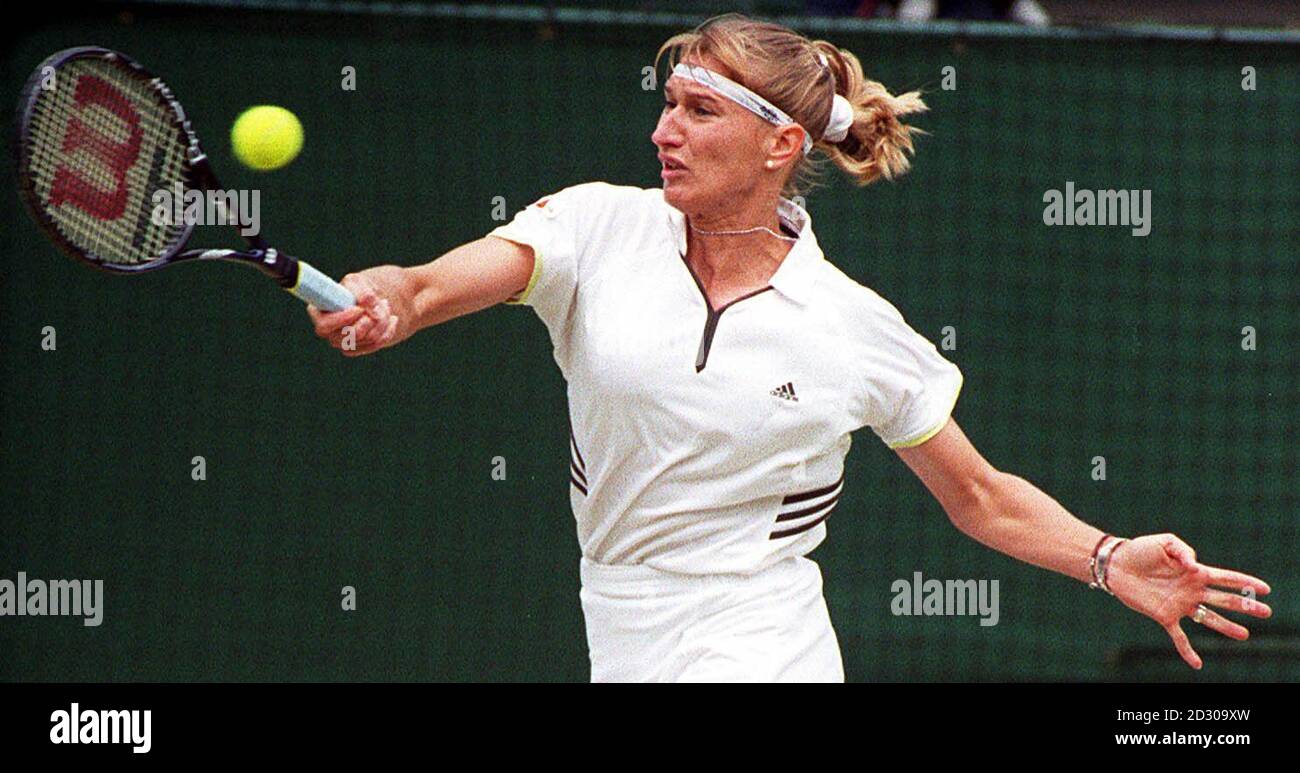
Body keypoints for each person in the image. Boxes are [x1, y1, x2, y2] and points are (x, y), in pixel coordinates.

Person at [307, 13, 1272, 682]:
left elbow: (977, 496)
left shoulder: (850, 325)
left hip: (761, 635)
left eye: (698, 111)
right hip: (620, 617)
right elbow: (429, 283)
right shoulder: (594, 227)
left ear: (779, 147)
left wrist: (1110, 559)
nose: (662, 131)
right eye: (666, 103)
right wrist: (388, 300)